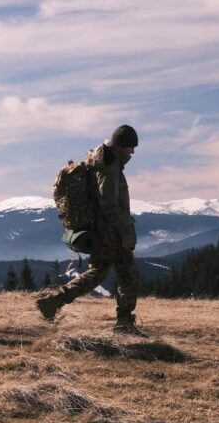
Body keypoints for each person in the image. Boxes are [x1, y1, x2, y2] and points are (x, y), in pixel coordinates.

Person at [36, 125, 142, 334]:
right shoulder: (109, 167)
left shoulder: (100, 162)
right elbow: (109, 204)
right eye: (130, 147)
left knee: (97, 272)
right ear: (121, 146)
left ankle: (53, 302)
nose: (133, 152)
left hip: (99, 229)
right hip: (110, 231)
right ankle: (124, 324)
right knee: (128, 276)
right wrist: (125, 230)